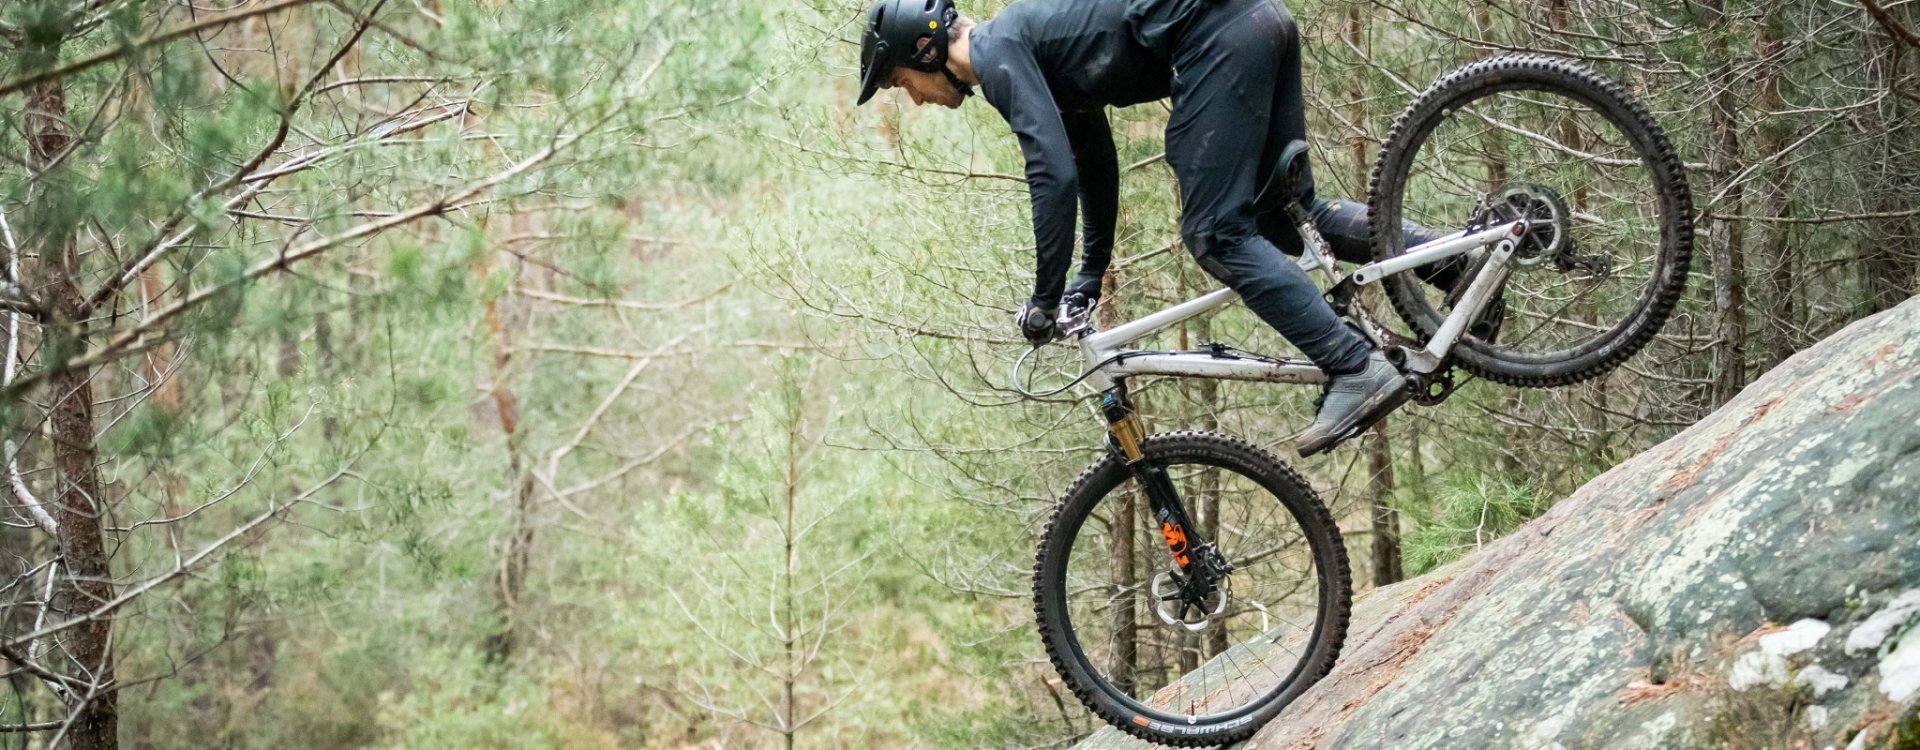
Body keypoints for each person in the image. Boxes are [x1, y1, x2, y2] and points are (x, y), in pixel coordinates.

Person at [853, 0, 1493, 455]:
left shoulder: (999, 53)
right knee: (1285, 221)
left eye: (899, 81)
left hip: (1217, 35)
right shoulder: (1026, 44)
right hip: (1259, 22)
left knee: (1214, 232)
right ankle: (1456, 262)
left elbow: (1052, 175)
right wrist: (1087, 275)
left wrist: (1044, 299)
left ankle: (1354, 365)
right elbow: (1093, 164)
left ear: (926, 49)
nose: (910, 97)